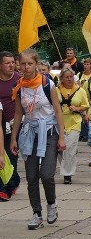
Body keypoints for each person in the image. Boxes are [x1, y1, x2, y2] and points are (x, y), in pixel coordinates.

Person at [11, 49, 66, 229]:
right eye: (23, 64)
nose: (26, 67)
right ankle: (37, 213)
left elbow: (58, 110)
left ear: (36, 64)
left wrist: (62, 138)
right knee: (32, 176)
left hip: (49, 130)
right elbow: (19, 113)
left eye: (30, 64)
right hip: (30, 132)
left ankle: (52, 203)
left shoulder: (47, 84)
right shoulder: (19, 87)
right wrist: (14, 139)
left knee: (46, 174)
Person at [57, 68, 89, 184]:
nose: (69, 79)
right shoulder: (56, 90)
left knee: (70, 148)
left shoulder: (80, 91)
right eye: (66, 77)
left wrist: (77, 108)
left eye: (71, 76)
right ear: (62, 78)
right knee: (60, 149)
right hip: (59, 122)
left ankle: (67, 174)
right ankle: (66, 166)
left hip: (74, 121)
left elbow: (86, 106)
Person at [0, 51, 21, 201]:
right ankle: (11, 181)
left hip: (17, 124)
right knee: (3, 155)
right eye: (7, 63)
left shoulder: (19, 80)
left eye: (13, 62)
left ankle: (10, 185)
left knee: (11, 154)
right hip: (1, 124)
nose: (11, 65)